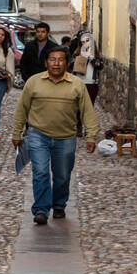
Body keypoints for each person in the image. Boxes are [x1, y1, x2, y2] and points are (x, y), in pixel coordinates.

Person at [12, 46, 98, 225]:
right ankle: (41, 210)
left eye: (60, 60)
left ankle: (59, 204)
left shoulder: (76, 84)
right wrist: (17, 132)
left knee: (62, 175)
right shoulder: (34, 82)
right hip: (38, 135)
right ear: (46, 62)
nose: (56, 63)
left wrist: (91, 136)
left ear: (67, 63)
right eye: (52, 59)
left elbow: (87, 112)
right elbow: (22, 109)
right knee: (40, 172)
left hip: (66, 137)